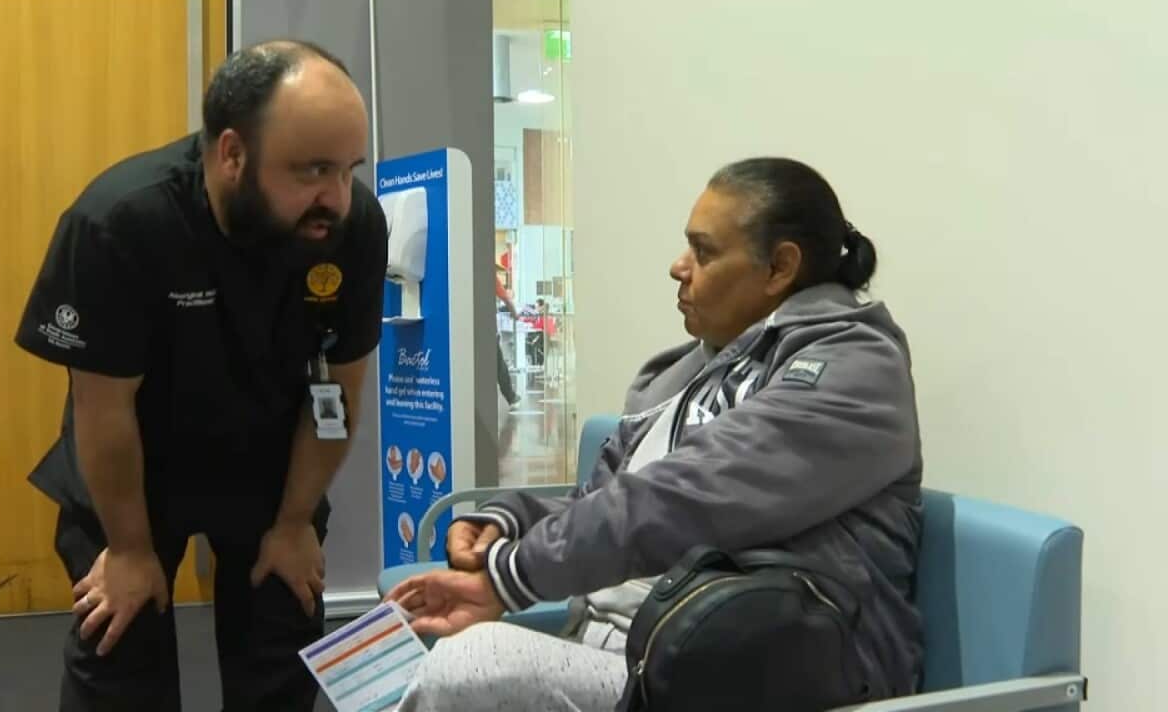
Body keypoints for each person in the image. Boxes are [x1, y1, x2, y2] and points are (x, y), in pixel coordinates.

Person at [387, 158, 924, 710]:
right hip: (638, 652)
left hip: (763, 675)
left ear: (780, 268)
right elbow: (608, 502)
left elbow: (686, 496)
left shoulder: (856, 370)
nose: (678, 266)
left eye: (704, 251)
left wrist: (513, 575)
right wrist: (509, 521)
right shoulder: (684, 372)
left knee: (472, 667)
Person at [14, 40, 386, 711]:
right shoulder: (120, 222)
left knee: (283, 643)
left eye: (348, 168)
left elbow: (342, 391)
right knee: (120, 645)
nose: (336, 196)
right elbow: (103, 408)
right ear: (233, 154)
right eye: (312, 171)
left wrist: (295, 523)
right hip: (135, 465)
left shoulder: (352, 227)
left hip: (271, 466)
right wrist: (128, 550)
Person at [494, 264, 520, 407]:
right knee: (499, 365)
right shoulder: (490, 276)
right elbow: (506, 299)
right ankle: (511, 397)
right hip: (487, 329)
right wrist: (515, 315)